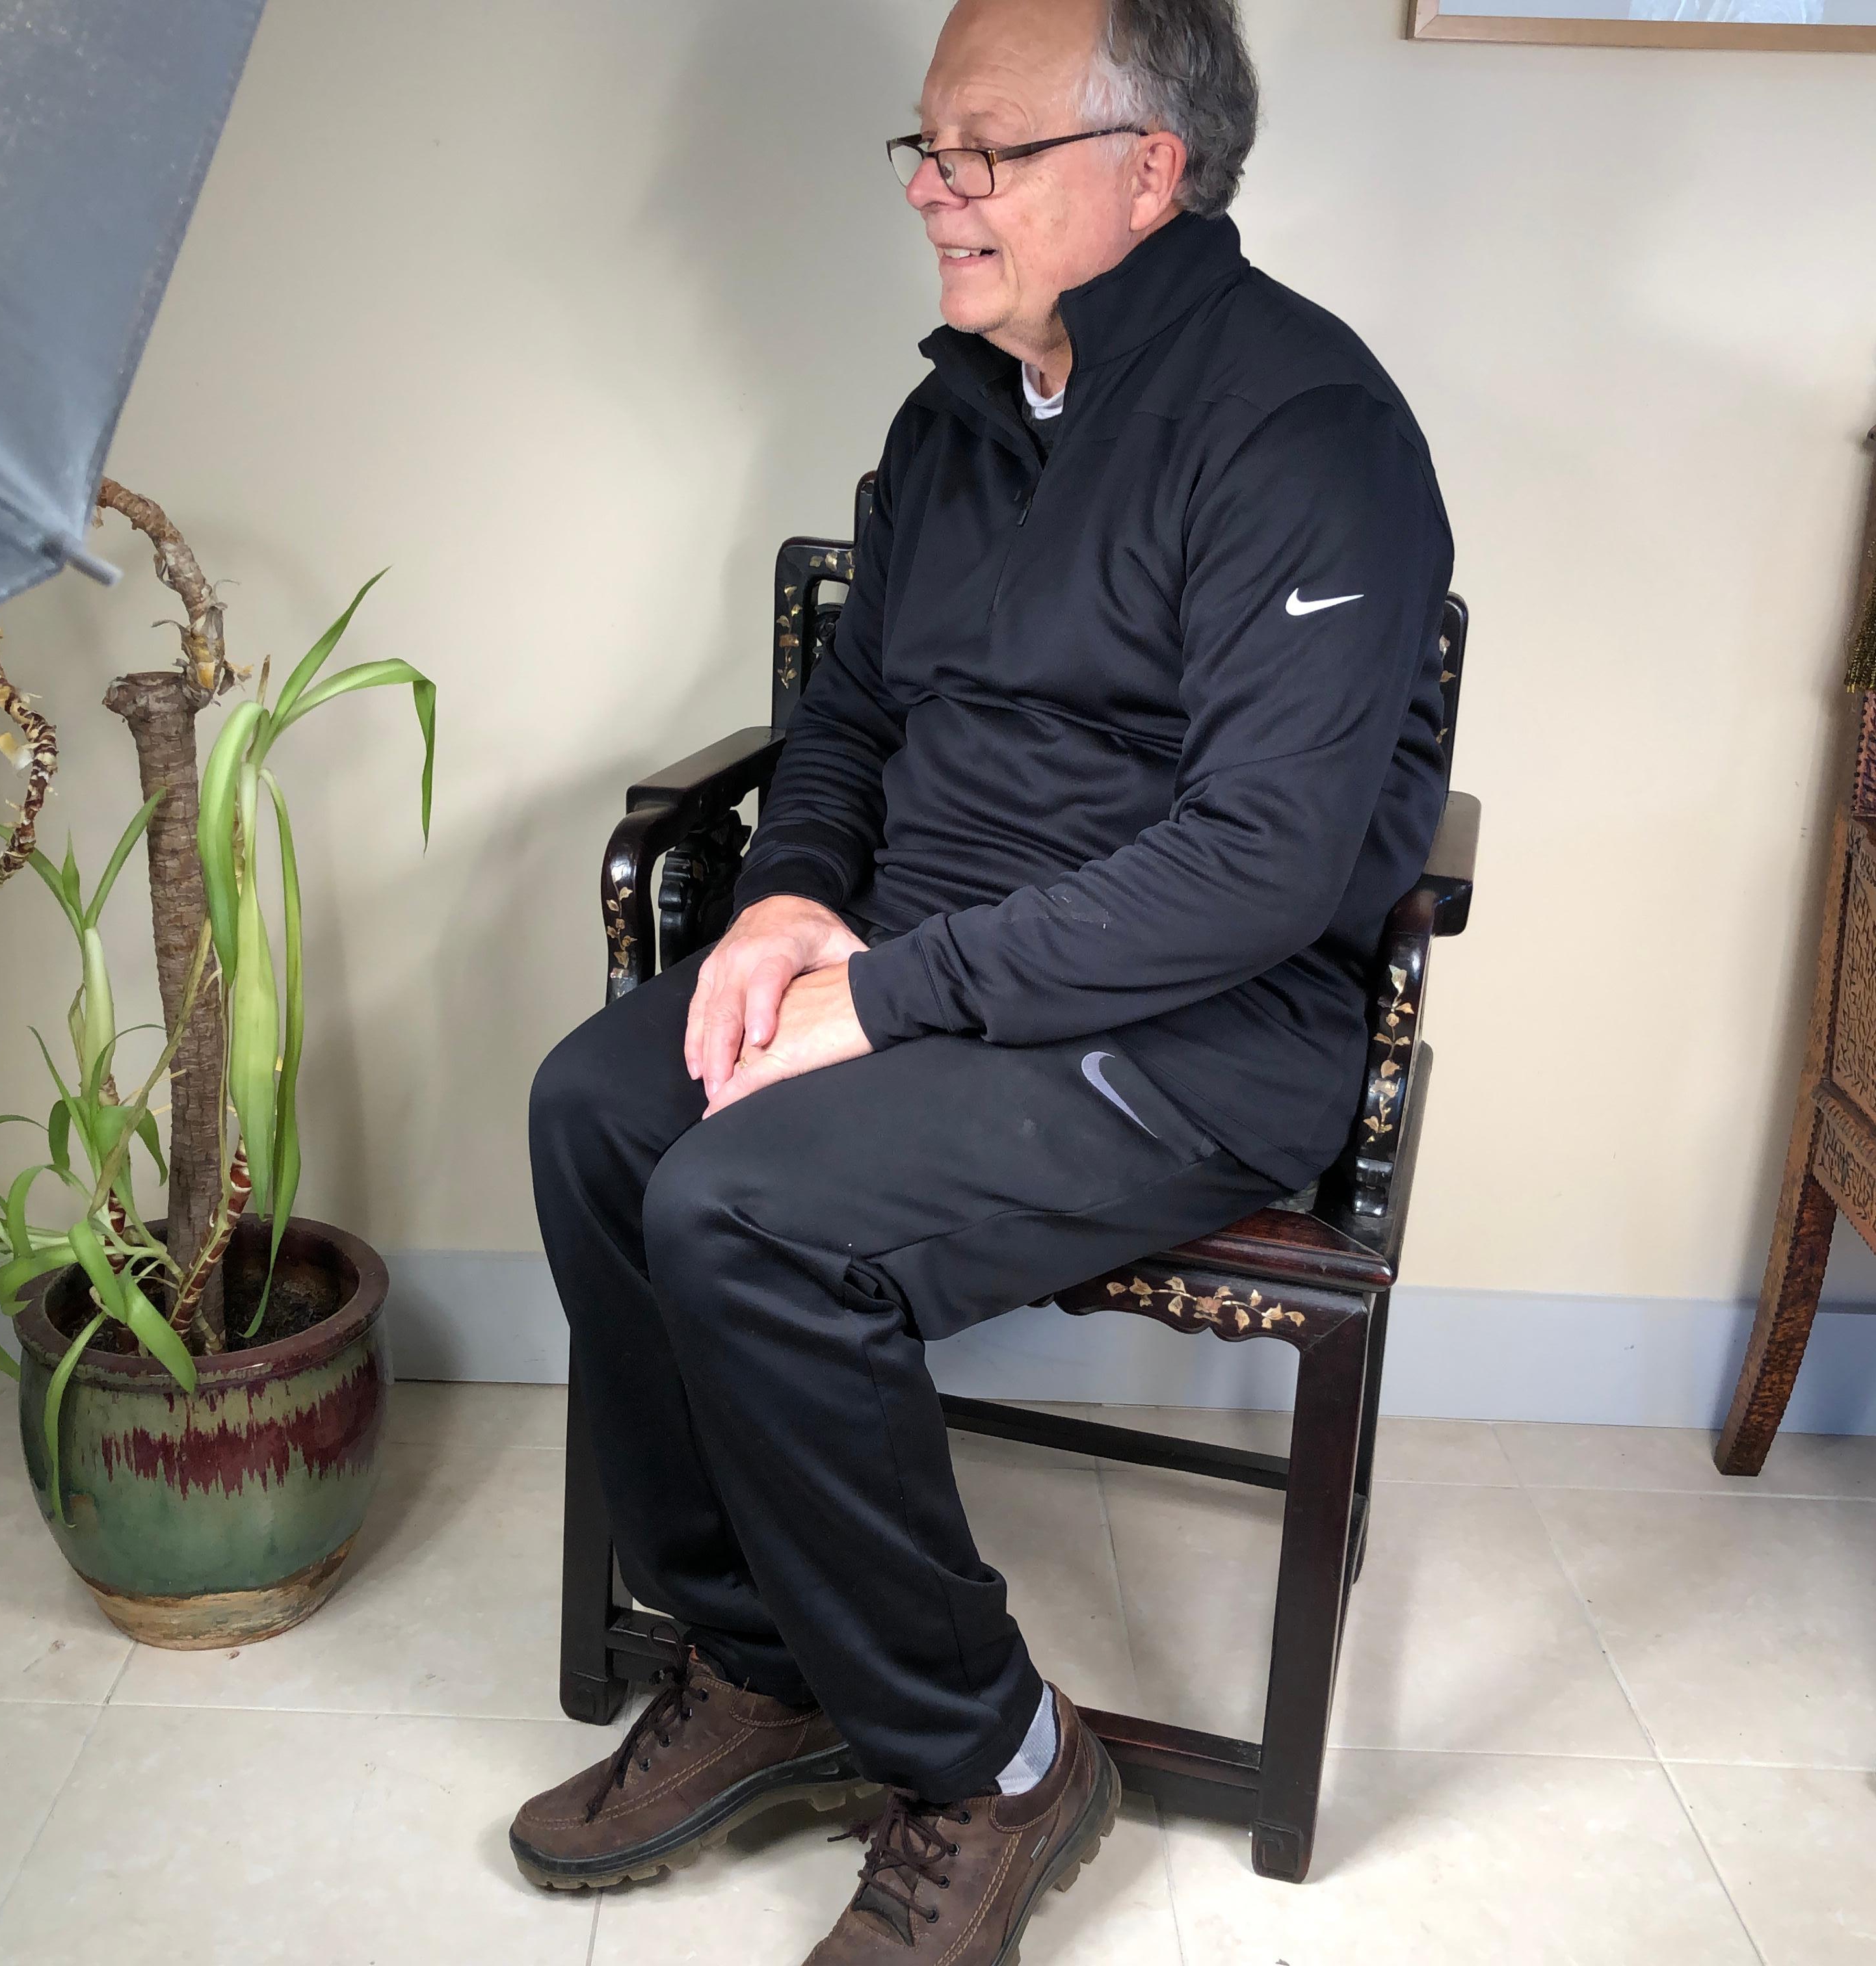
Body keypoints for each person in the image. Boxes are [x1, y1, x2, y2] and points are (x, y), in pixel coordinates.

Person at [518, 0, 1453, 1957]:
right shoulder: (951, 416)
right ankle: (763, 1658)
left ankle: (1002, 1759)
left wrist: (895, 993)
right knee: (602, 1110)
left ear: (1150, 169)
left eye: (986, 149)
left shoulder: (1309, 426)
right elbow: (850, 718)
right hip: (934, 976)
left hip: (1193, 1028)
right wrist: (786, 905)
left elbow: (1261, 864)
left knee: (743, 1213)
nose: (937, 188)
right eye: (926, 148)